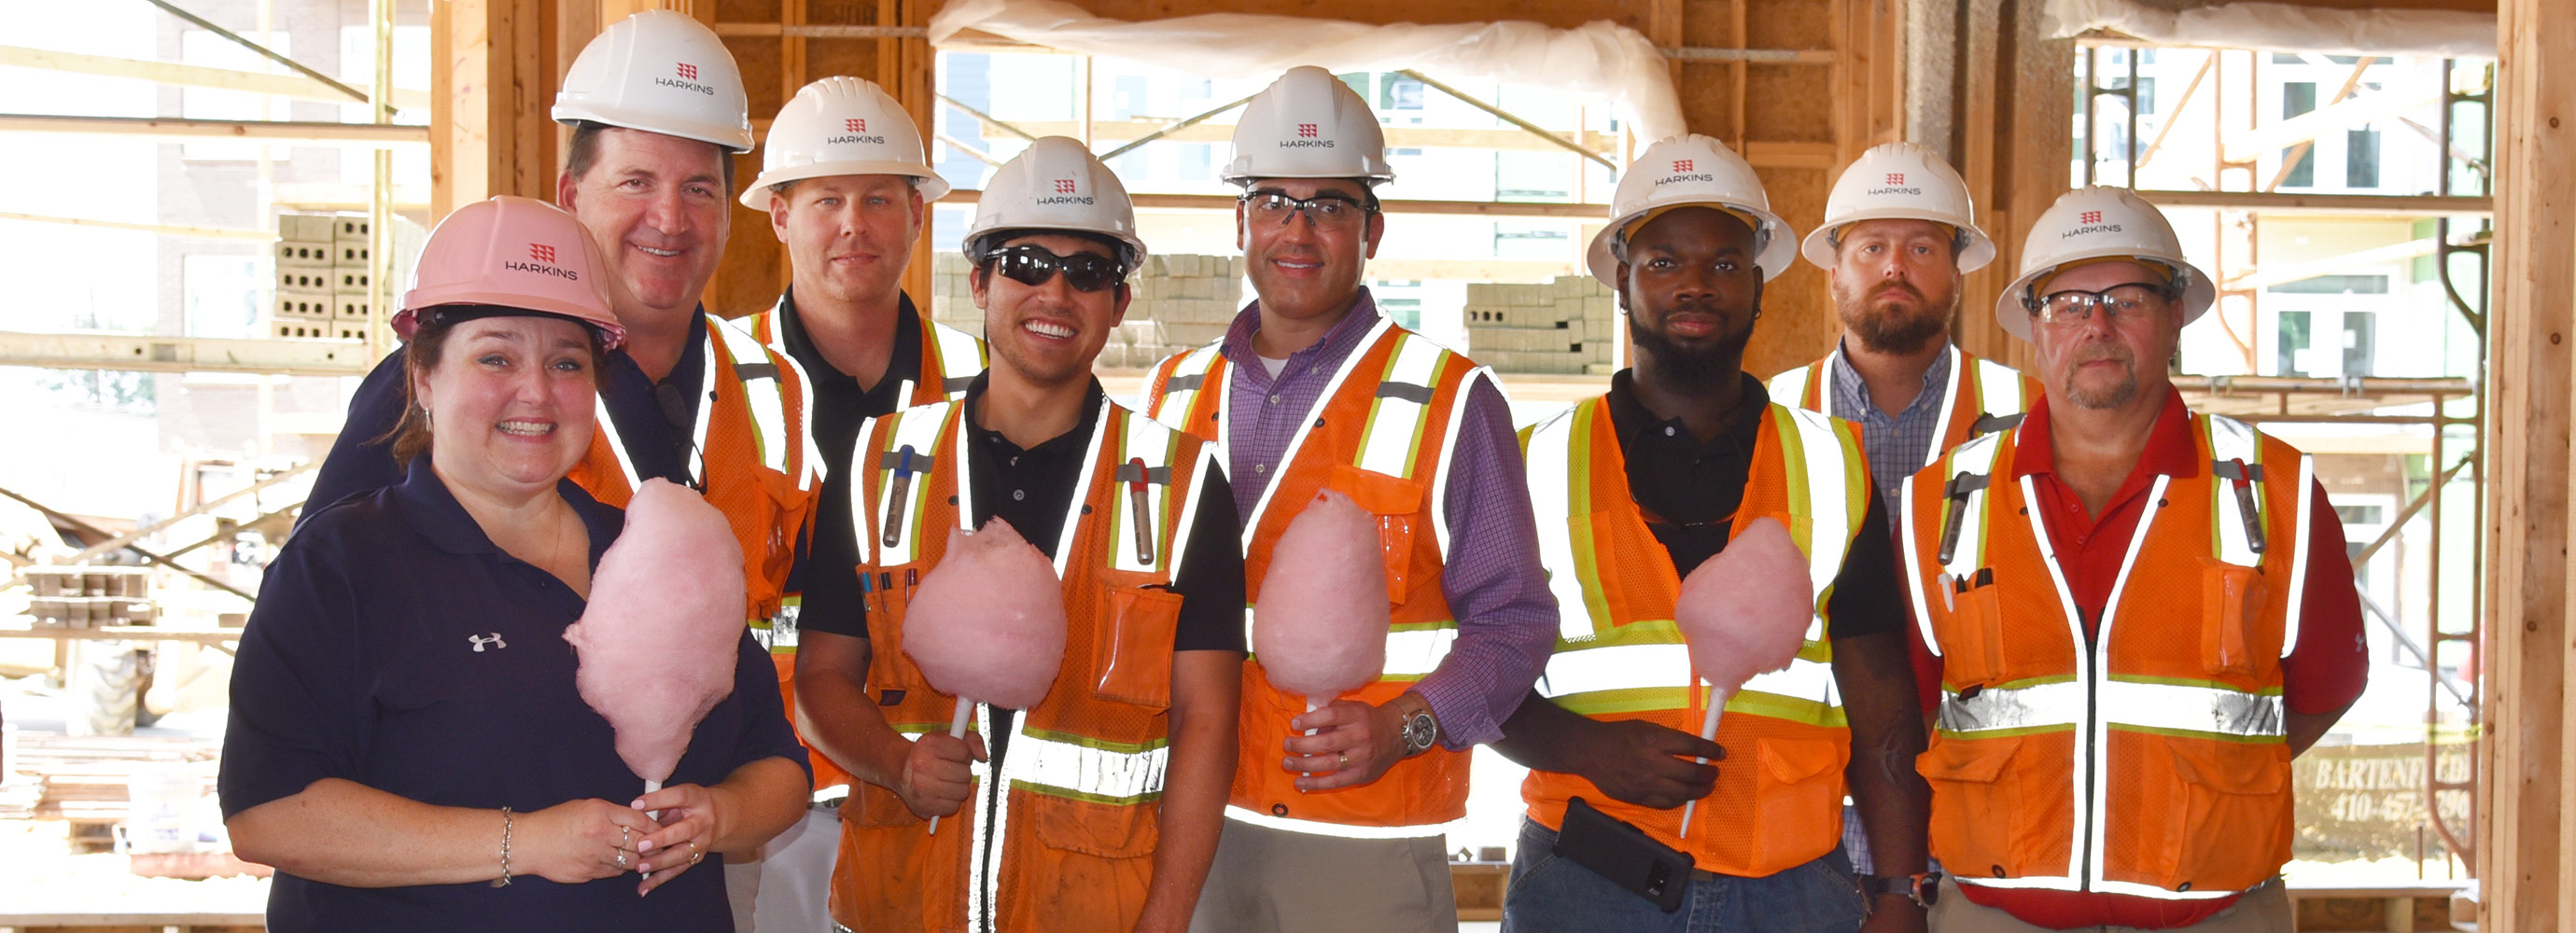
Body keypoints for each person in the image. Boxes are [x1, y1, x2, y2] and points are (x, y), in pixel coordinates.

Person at [297, 16, 821, 925]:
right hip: (468, 883)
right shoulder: (449, 394)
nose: (671, 219)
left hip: (680, 865)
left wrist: (731, 807)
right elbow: (318, 643)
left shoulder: (769, 390)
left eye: (701, 187)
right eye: (636, 183)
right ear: (570, 192)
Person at [218, 196, 811, 932]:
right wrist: (523, 842)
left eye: (567, 362)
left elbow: (780, 769)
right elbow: (269, 814)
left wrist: (718, 817)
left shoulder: (659, 553)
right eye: (496, 357)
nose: (535, 392)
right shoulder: (341, 564)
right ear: (424, 378)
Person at [1139, 65, 1559, 933]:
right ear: (1241, 220)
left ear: (1373, 227)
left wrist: (1406, 724)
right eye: (1272, 201)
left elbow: (1514, 620)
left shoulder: (1447, 398)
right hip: (1180, 825)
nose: (1298, 230)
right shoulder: (1169, 395)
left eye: (1329, 204)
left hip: (1359, 839)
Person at [795, 136, 1247, 933]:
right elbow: (821, 680)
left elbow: (1207, 721)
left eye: (1089, 272)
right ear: (979, 282)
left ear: (1120, 302)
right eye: (1028, 263)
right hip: (898, 905)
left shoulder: (1181, 483)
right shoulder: (876, 463)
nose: (1057, 293)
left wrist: (1167, 918)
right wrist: (895, 761)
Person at [1896, 186, 2369, 932]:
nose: (2099, 325)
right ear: (2033, 326)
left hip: (2216, 912)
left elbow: (2326, 687)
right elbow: (1918, 703)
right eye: (2071, 303)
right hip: (1997, 912)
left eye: (2129, 298)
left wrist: (2208, 796)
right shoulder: (1941, 503)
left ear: (2176, 314)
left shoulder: (2274, 489)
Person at [1494, 134, 1932, 933]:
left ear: (1759, 286)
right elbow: (1477, 676)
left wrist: (1900, 890)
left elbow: (1883, 705)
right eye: (1665, 261)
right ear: (1622, 280)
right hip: (1589, 882)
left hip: (1795, 888)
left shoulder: (1832, 464)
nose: (1696, 284)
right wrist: (1591, 751)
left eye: (1724, 265)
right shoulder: (1532, 464)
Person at [738, 75, 986, 931]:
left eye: (880, 198)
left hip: (925, 793)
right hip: (758, 797)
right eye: (827, 200)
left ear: (919, 213)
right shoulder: (718, 381)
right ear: (778, 215)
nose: (855, 224)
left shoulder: (980, 388)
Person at [1769, 141, 2042, 506]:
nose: (1895, 267)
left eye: (1921, 249)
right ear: (1835, 278)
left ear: (1956, 279)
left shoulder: (2033, 410)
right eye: (1873, 248)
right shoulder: (1769, 411)